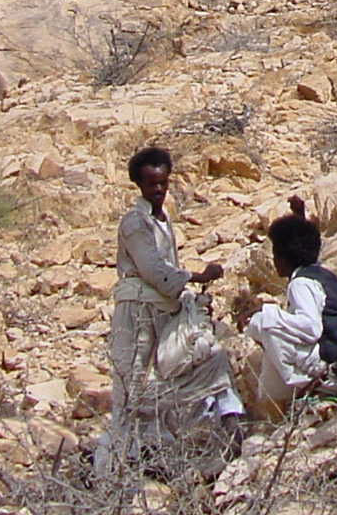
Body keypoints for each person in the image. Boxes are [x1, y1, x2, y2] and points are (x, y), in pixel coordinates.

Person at [105, 146, 244, 463]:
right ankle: (123, 461)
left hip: (164, 309)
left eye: (163, 184)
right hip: (136, 313)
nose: (158, 190)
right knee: (130, 384)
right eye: (152, 184)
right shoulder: (134, 223)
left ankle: (162, 448)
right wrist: (197, 276)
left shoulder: (163, 222)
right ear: (139, 185)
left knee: (172, 369)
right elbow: (153, 270)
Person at [243, 196, 337, 412]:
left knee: (263, 324)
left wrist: (265, 312)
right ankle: (274, 401)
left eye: (275, 254)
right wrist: (300, 217)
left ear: (283, 257)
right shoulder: (319, 274)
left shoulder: (301, 284)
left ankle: (302, 391)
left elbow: (310, 328)